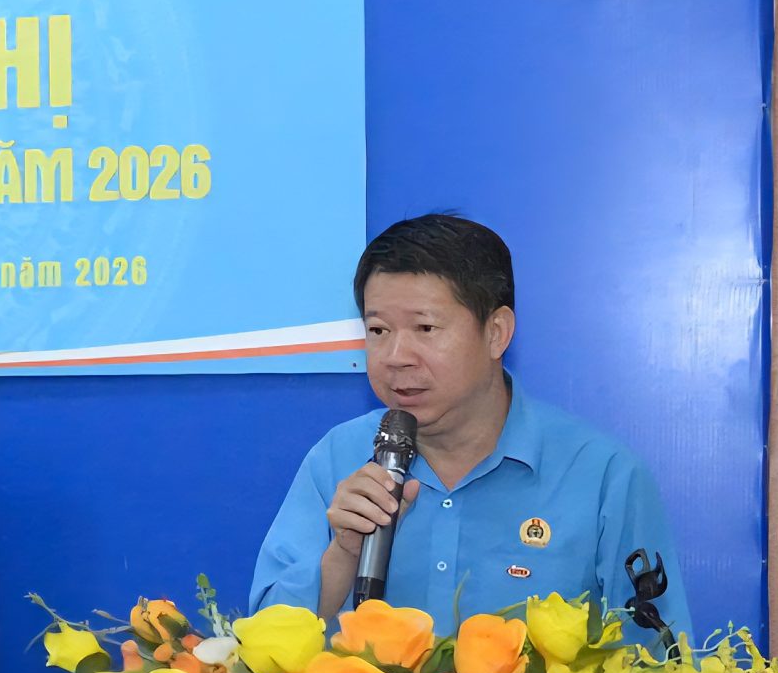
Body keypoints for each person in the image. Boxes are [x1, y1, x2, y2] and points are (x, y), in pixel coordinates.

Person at [248, 214, 692, 640]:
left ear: (496, 332)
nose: (396, 356)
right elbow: (263, 654)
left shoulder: (602, 476)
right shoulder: (338, 458)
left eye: (425, 328)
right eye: (378, 330)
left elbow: (656, 664)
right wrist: (344, 553)